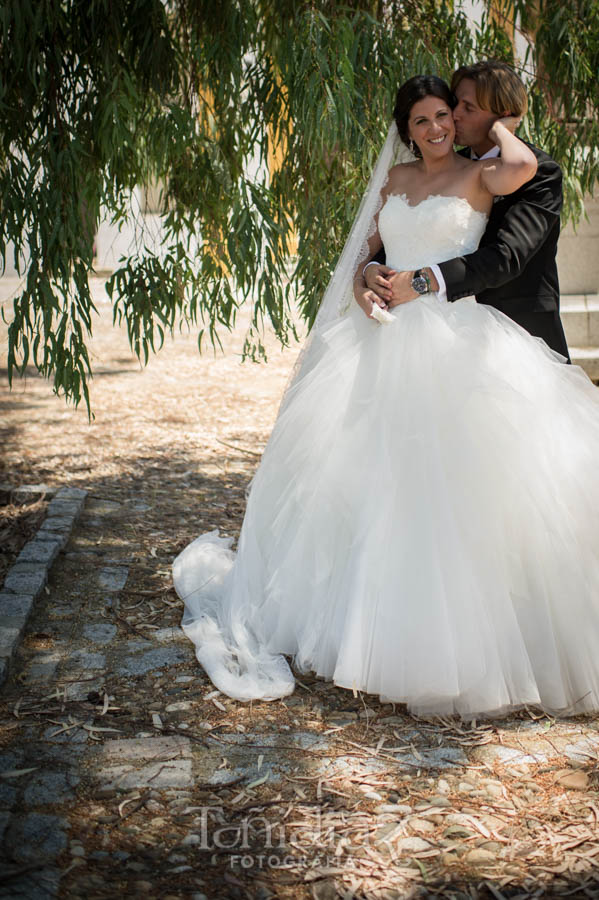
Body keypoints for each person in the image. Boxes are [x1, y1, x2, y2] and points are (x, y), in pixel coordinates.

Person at [173, 74, 599, 720]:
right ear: (406, 129)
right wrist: (368, 278)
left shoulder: (482, 173)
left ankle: (463, 645)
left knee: (457, 491)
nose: (437, 127)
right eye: (424, 119)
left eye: (447, 116)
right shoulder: (394, 183)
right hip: (380, 345)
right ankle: (358, 629)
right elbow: (363, 257)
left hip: (454, 336)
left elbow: (520, 167)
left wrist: (502, 121)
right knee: (366, 489)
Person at [363, 60, 570, 361]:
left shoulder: (540, 173)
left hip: (517, 331)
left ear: (502, 116)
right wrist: (373, 271)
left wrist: (421, 281)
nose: (455, 115)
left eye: (469, 108)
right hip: (427, 330)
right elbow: (413, 233)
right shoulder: (451, 165)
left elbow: (505, 257)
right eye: (456, 103)